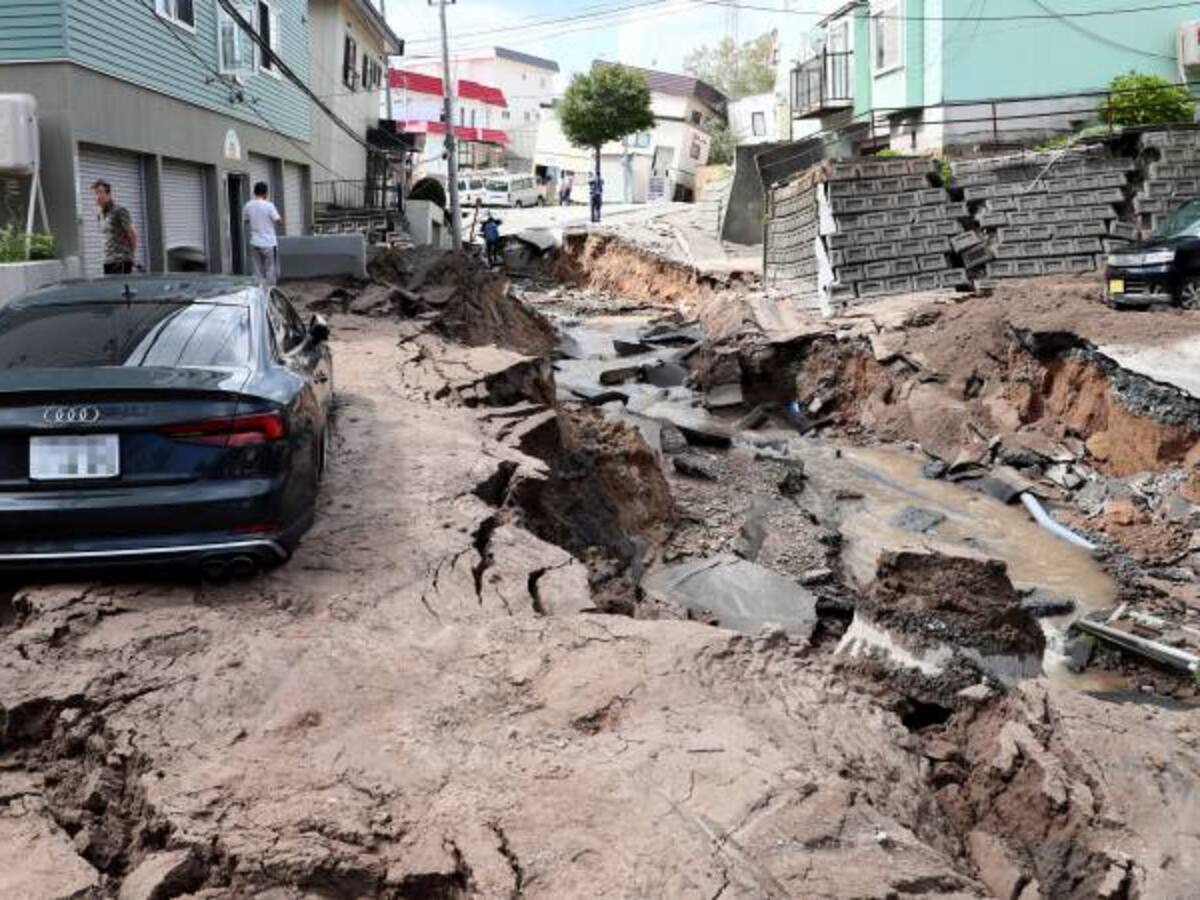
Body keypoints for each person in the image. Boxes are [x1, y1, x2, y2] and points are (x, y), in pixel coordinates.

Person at [92, 180, 137, 275]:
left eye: (100, 192)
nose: (97, 196)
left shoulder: (119, 211)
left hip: (121, 260)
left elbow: (132, 234)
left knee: (120, 289)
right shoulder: (100, 214)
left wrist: (131, 256)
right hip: (108, 260)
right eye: (95, 193)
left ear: (109, 195)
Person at [243, 181, 283, 284]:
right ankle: (270, 293)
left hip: (255, 242)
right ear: (266, 193)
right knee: (270, 269)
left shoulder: (248, 205)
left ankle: (259, 294)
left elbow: (246, 221)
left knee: (258, 271)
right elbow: (279, 221)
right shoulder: (269, 205)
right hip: (268, 243)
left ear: (254, 192)